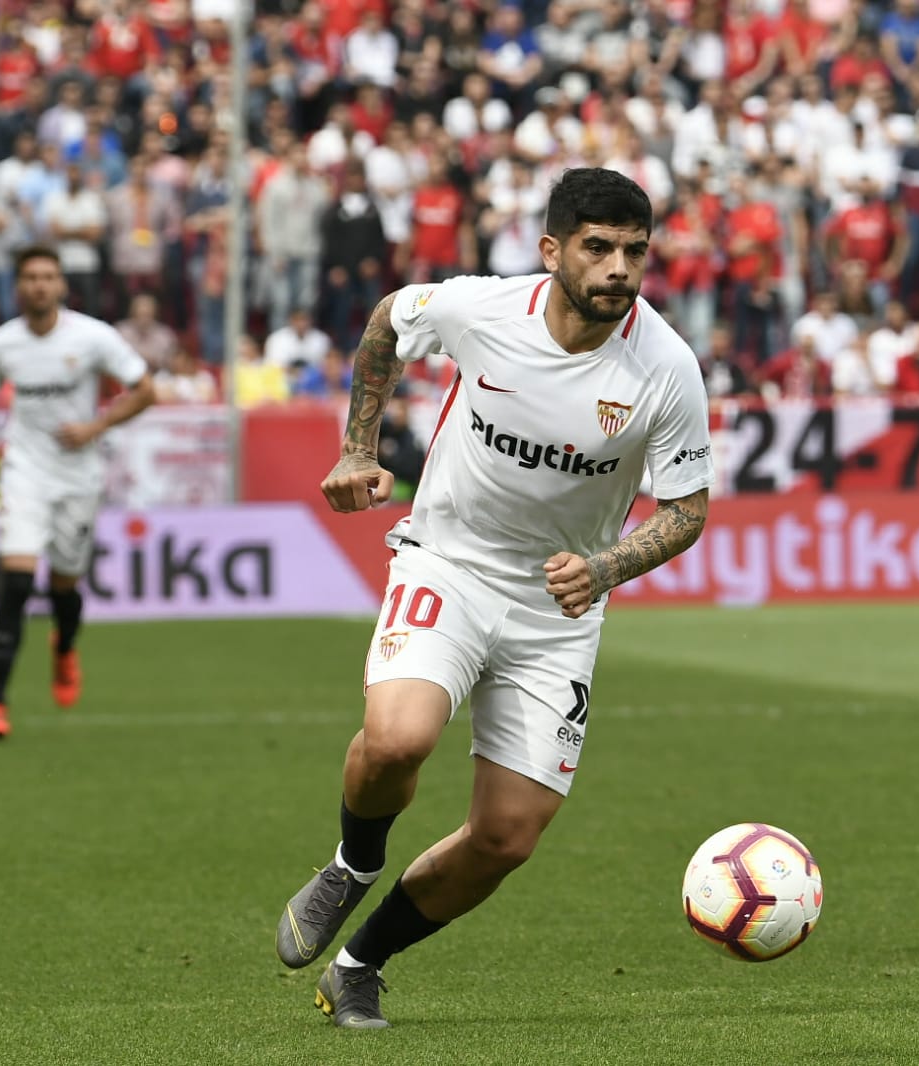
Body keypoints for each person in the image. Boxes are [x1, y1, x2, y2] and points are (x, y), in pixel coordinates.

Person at [274, 168, 714, 1029]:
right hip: (449, 562)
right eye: (598, 247)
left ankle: (361, 964)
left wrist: (608, 568)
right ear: (552, 251)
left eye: (634, 250)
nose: (618, 267)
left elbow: (688, 511)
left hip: (556, 610)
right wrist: (358, 446)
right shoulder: (482, 309)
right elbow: (386, 323)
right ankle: (352, 864)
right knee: (399, 738)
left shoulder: (666, 367)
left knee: (507, 837)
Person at [0, 245, 156, 739]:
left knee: (65, 586)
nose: (40, 284)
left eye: (48, 276)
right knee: (15, 584)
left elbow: (146, 389)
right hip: (24, 471)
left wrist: (96, 426)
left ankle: (64, 646)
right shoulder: (3, 343)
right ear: (19, 286)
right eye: (31, 277)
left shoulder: (91, 336)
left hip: (78, 476)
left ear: (61, 285)